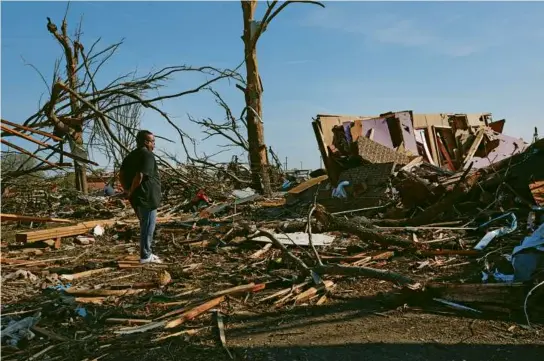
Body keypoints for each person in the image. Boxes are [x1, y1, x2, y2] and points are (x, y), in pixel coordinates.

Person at [119, 130, 163, 263]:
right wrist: (131, 191)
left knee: (145, 225)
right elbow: (140, 176)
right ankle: (145, 256)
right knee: (148, 226)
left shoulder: (131, 156)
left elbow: (121, 174)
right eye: (152, 142)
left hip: (138, 198)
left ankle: (148, 252)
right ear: (146, 142)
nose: (154, 145)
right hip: (147, 197)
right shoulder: (147, 155)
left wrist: (127, 190)